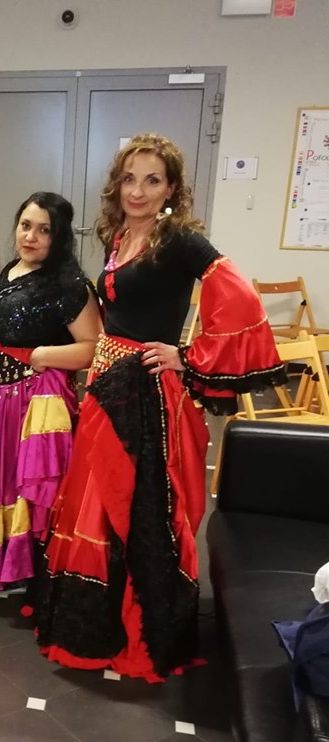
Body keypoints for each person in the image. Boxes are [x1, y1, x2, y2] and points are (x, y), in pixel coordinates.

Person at [33, 133, 286, 682]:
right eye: (129, 179)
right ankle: (90, 622)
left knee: (133, 505)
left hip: (145, 392)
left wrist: (187, 355)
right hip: (107, 382)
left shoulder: (180, 241)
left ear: (171, 188)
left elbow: (240, 297)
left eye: (152, 180)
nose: (138, 191)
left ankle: (131, 630)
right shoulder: (119, 235)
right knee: (94, 500)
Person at [0, 192, 102, 593]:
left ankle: (23, 571)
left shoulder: (69, 284)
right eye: (25, 225)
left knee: (21, 486)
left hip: (31, 402)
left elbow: (93, 348)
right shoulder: (9, 271)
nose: (30, 236)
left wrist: (42, 355)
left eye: (44, 230)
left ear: (60, 236)